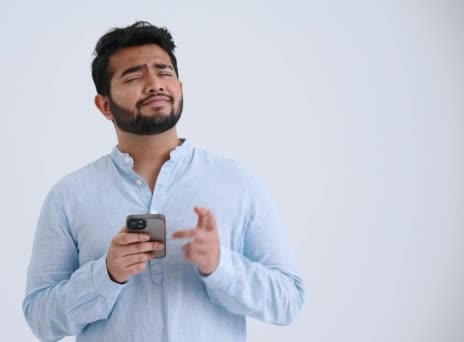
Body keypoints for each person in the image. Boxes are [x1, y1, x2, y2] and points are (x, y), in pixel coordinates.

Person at [22, 21, 304, 342]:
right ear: (104, 105)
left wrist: (221, 266)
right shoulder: (69, 196)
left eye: (164, 72)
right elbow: (40, 319)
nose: (154, 84)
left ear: (180, 88)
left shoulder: (237, 182)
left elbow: (289, 301)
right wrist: (107, 275)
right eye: (133, 76)